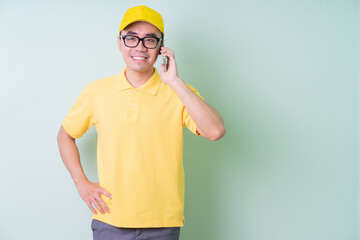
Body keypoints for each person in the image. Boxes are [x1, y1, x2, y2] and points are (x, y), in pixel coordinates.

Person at [57, 5, 226, 240]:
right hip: (110, 220)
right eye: (131, 39)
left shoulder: (178, 93)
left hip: (163, 223)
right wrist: (81, 183)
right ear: (119, 43)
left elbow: (216, 130)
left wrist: (174, 81)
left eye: (149, 40)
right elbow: (65, 135)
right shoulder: (97, 91)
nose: (140, 47)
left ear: (161, 48)